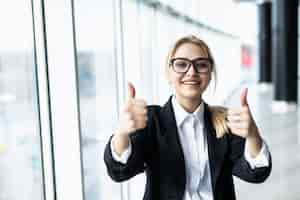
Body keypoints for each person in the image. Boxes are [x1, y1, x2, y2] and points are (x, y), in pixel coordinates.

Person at [104, 35, 271, 200]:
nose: (192, 72)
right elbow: (119, 171)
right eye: (182, 64)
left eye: (201, 65)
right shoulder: (152, 120)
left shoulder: (225, 122)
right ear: (168, 74)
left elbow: (256, 173)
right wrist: (122, 132)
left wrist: (252, 134)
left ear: (210, 74)